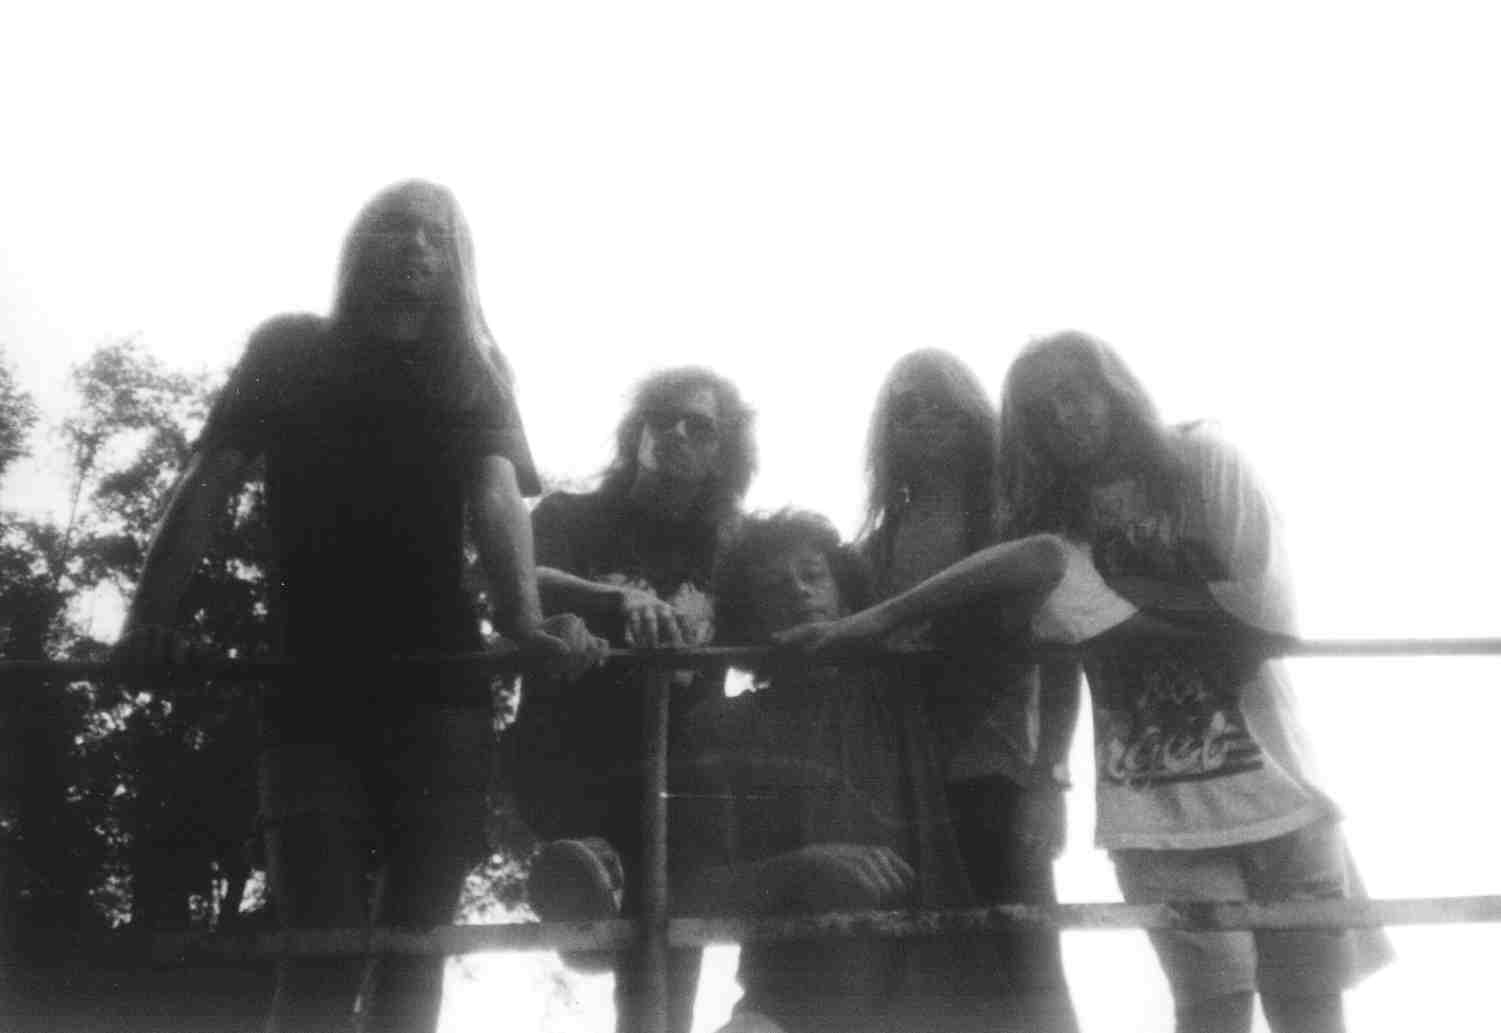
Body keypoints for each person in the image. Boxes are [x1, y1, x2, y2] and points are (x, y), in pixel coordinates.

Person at [783, 331, 1390, 1033]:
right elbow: (1052, 589)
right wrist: (868, 623)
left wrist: (1121, 606)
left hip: (1282, 792)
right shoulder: (1052, 530)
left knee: (1310, 1015)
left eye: (1075, 393)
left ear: (1113, 387)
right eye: (1040, 412)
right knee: (1211, 1014)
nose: (1063, 418)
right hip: (1156, 813)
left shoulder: (1202, 461)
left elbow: (1270, 618)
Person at [115, 179, 605, 1033]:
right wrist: (147, 621)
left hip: (442, 689)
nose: (415, 245)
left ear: (458, 262)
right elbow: (209, 481)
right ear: (359, 242)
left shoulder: (473, 371)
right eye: (396, 226)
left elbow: (496, 499)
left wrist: (522, 619)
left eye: (436, 235)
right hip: (310, 685)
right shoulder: (290, 351)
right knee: (321, 941)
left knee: (417, 949)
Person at [673, 510, 1023, 1033]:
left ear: (843, 590)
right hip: (791, 1000)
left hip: (933, 994)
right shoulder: (722, 726)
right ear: (749, 614)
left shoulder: (911, 693)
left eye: (813, 575)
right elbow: (688, 890)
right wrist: (802, 866)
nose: (798, 590)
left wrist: (879, 620)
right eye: (773, 586)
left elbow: (1042, 560)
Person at [508, 366, 756, 1033]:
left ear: (723, 452)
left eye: (699, 426)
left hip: (679, 788)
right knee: (635, 921)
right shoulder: (570, 516)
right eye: (662, 417)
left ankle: (601, 896)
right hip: (574, 764)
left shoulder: (730, 550)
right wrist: (610, 598)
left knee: (664, 986)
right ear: (636, 431)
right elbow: (512, 575)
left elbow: (788, 597)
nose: (676, 432)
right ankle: (590, 881)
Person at [859, 348, 1080, 1033]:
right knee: (927, 974)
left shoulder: (1009, 522)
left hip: (998, 774)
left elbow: (1061, 657)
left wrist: (1048, 779)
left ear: (973, 418)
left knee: (1030, 969)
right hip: (904, 786)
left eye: (941, 404)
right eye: (906, 407)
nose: (924, 418)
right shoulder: (876, 544)